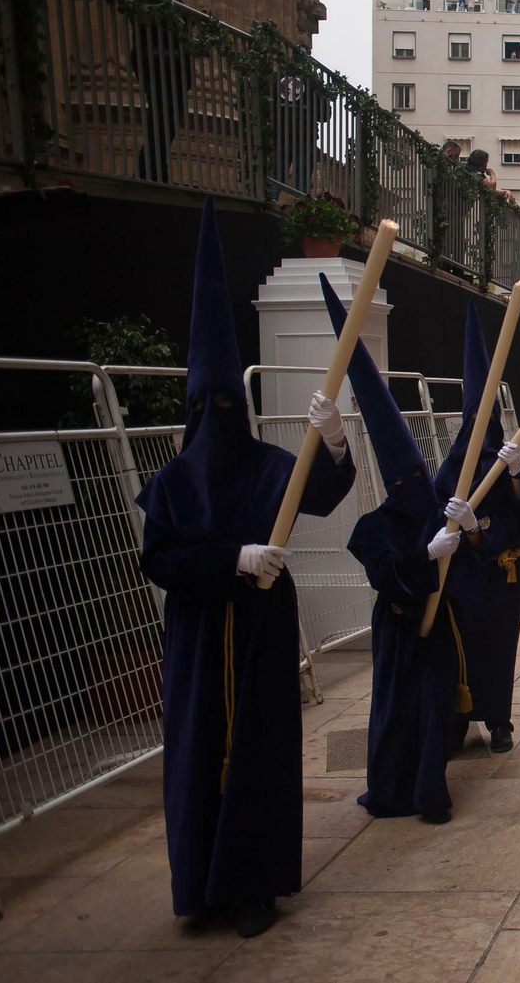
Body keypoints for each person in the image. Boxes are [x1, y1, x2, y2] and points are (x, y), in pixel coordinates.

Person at [136, 199, 356, 937]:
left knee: (262, 752)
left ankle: (257, 881)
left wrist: (331, 440)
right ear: (192, 405)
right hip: (200, 643)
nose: (220, 414)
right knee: (200, 753)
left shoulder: (267, 467)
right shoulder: (173, 484)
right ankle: (202, 883)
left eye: (230, 401)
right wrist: (232, 556)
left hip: (260, 635)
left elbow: (321, 495)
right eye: (209, 403)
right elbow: (160, 557)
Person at [322, 275, 462, 824]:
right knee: (396, 710)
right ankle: (389, 787)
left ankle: (429, 791)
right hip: (399, 632)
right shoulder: (373, 528)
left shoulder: (434, 504)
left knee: (432, 711)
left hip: (436, 632)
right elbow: (385, 575)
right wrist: (424, 557)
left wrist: (464, 530)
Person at [440, 303, 520, 755]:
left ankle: (499, 720)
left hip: (504, 572)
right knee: (463, 646)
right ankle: (461, 718)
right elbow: (437, 511)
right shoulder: (452, 467)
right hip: (465, 576)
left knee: (500, 648)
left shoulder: (512, 459)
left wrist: (517, 474)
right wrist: (458, 528)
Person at [132, 0, 193, 183]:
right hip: (156, 62)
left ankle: (153, 172)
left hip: (170, 64)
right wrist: (173, 3)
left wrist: (176, 1)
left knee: (166, 123)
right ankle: (149, 173)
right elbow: (153, 22)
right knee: (160, 120)